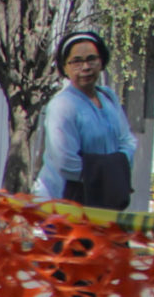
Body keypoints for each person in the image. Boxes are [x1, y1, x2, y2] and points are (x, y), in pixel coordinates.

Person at [32, 29, 136, 209]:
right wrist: (113, 172)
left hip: (103, 200)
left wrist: (113, 171)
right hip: (64, 204)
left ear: (102, 62)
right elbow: (66, 163)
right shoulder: (62, 106)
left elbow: (128, 141)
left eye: (91, 59)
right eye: (76, 62)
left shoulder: (109, 97)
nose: (86, 67)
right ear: (65, 68)